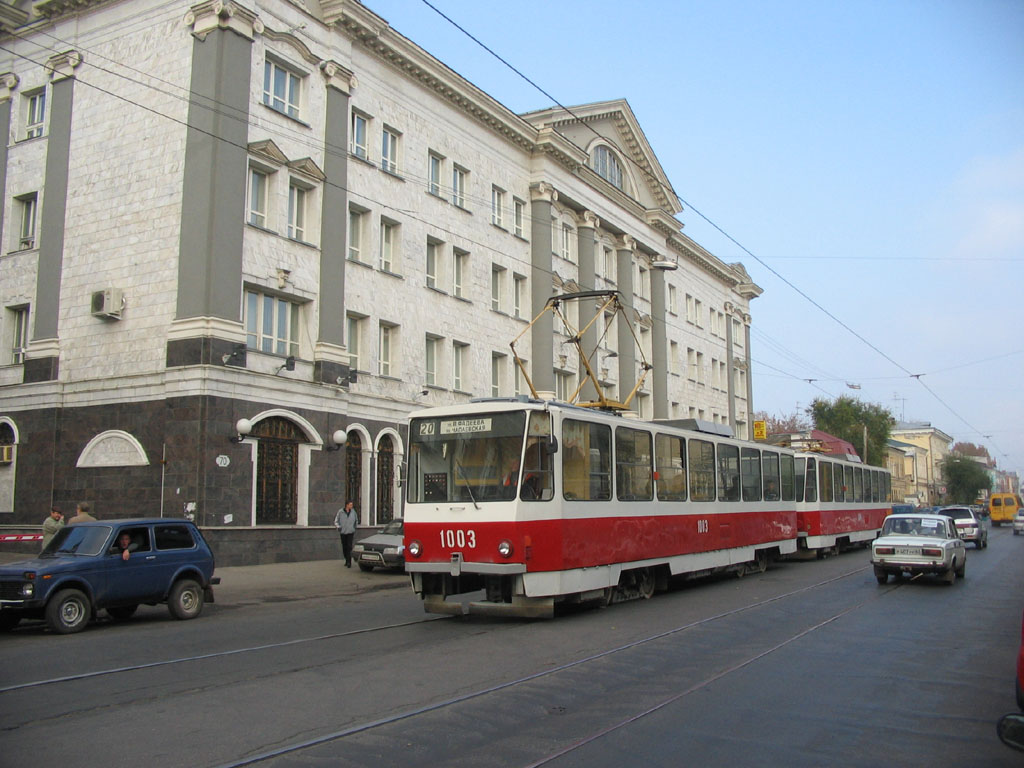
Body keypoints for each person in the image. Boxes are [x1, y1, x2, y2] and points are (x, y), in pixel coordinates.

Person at [335, 500, 358, 568]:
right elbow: (336, 520)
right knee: (344, 546)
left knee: (349, 546)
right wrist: (338, 527)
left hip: (350, 532)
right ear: (347, 505)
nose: (351, 506)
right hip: (343, 532)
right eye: (350, 505)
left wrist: (354, 527)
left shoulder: (353, 512)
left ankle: (349, 562)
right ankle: (346, 558)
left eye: (352, 505)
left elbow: (356, 520)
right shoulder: (340, 512)